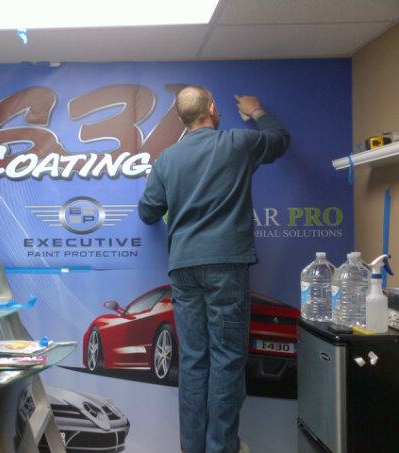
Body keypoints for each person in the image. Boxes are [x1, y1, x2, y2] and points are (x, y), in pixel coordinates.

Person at [138, 86, 290, 453]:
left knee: (193, 361)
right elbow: (279, 140)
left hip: (184, 268)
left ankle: (193, 448)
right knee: (226, 358)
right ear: (212, 108)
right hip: (225, 264)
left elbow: (147, 212)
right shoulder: (237, 143)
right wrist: (256, 111)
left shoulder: (167, 159)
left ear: (181, 119)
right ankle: (221, 447)